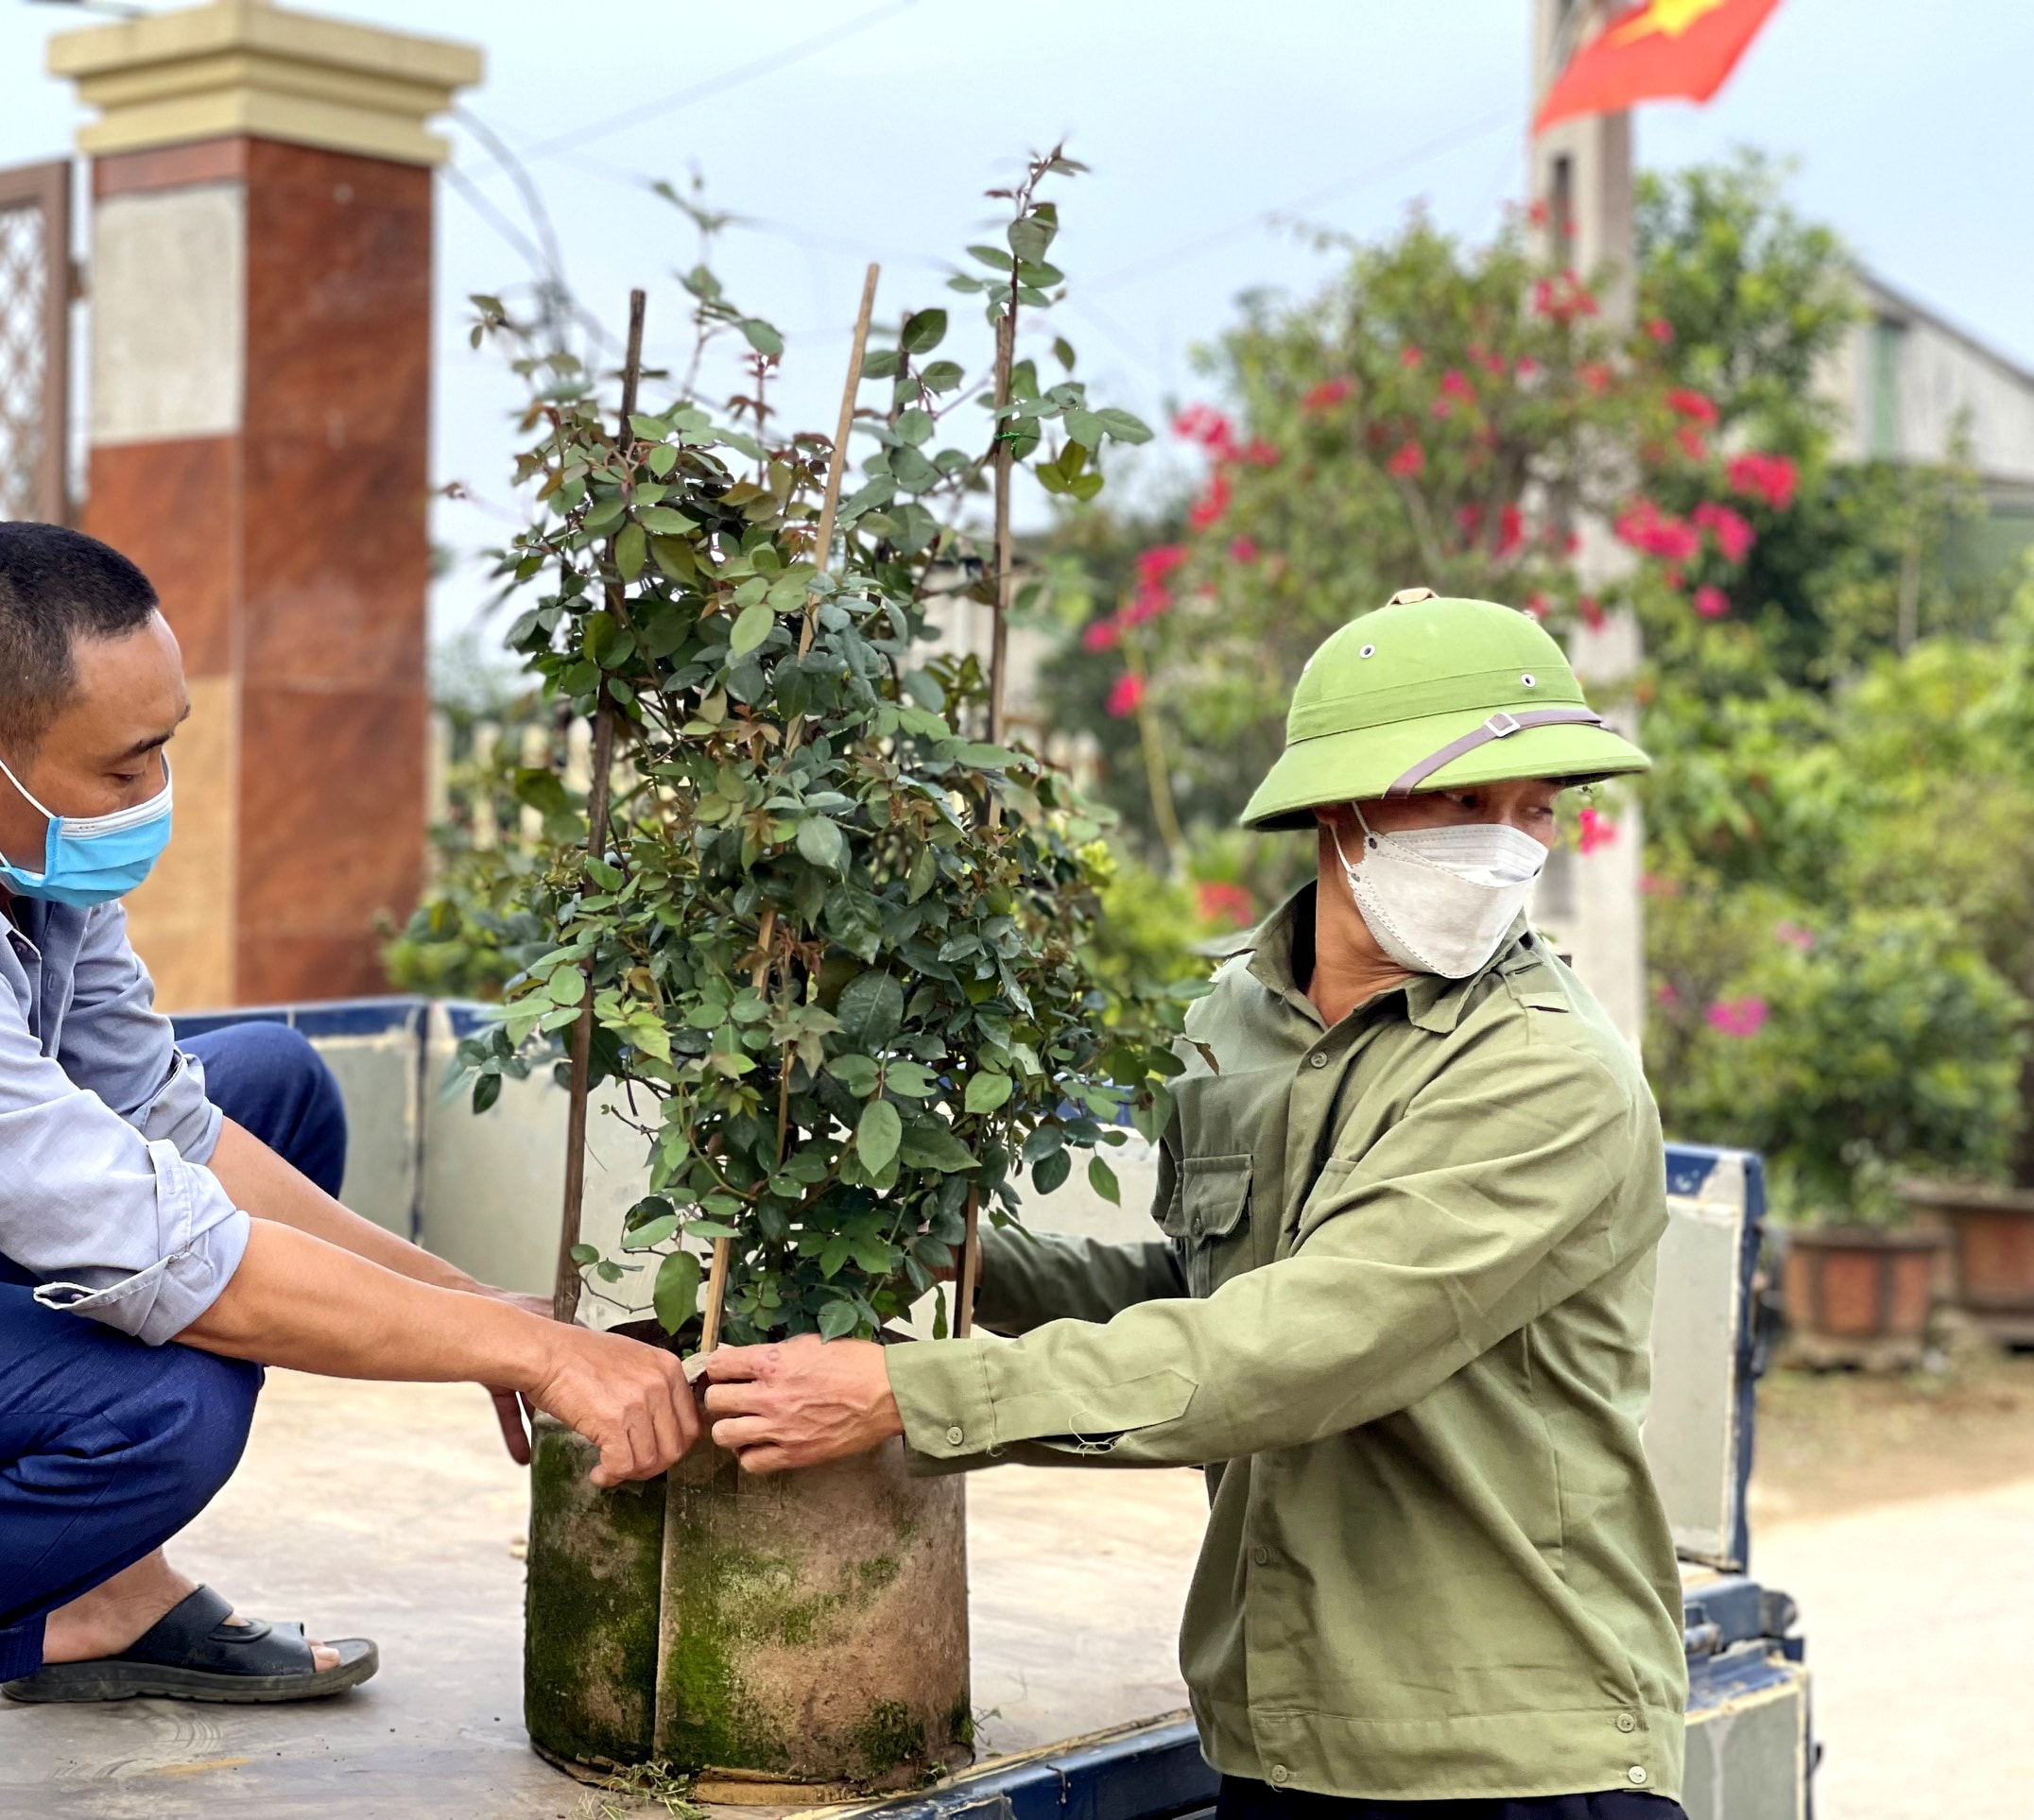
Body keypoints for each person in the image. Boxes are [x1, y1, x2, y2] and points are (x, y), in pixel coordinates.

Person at [0, 523, 698, 1817]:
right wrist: (532, 1359)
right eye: (132, 764)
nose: (159, 790)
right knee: (171, 1388)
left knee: (270, 1092)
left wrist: (478, 1304)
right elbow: (178, 1260)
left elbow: (175, 1129)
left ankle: (101, 1593)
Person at [706, 590, 1691, 1818]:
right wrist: (951, 1254)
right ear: (1344, 807)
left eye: (1534, 809)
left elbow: (1294, 1348)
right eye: (1461, 802)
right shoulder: (1238, 1025)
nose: (1506, 843)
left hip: (1512, 1753)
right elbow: (1205, 1297)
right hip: (1282, 1732)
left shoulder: (1547, 1073)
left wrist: (909, 1394)